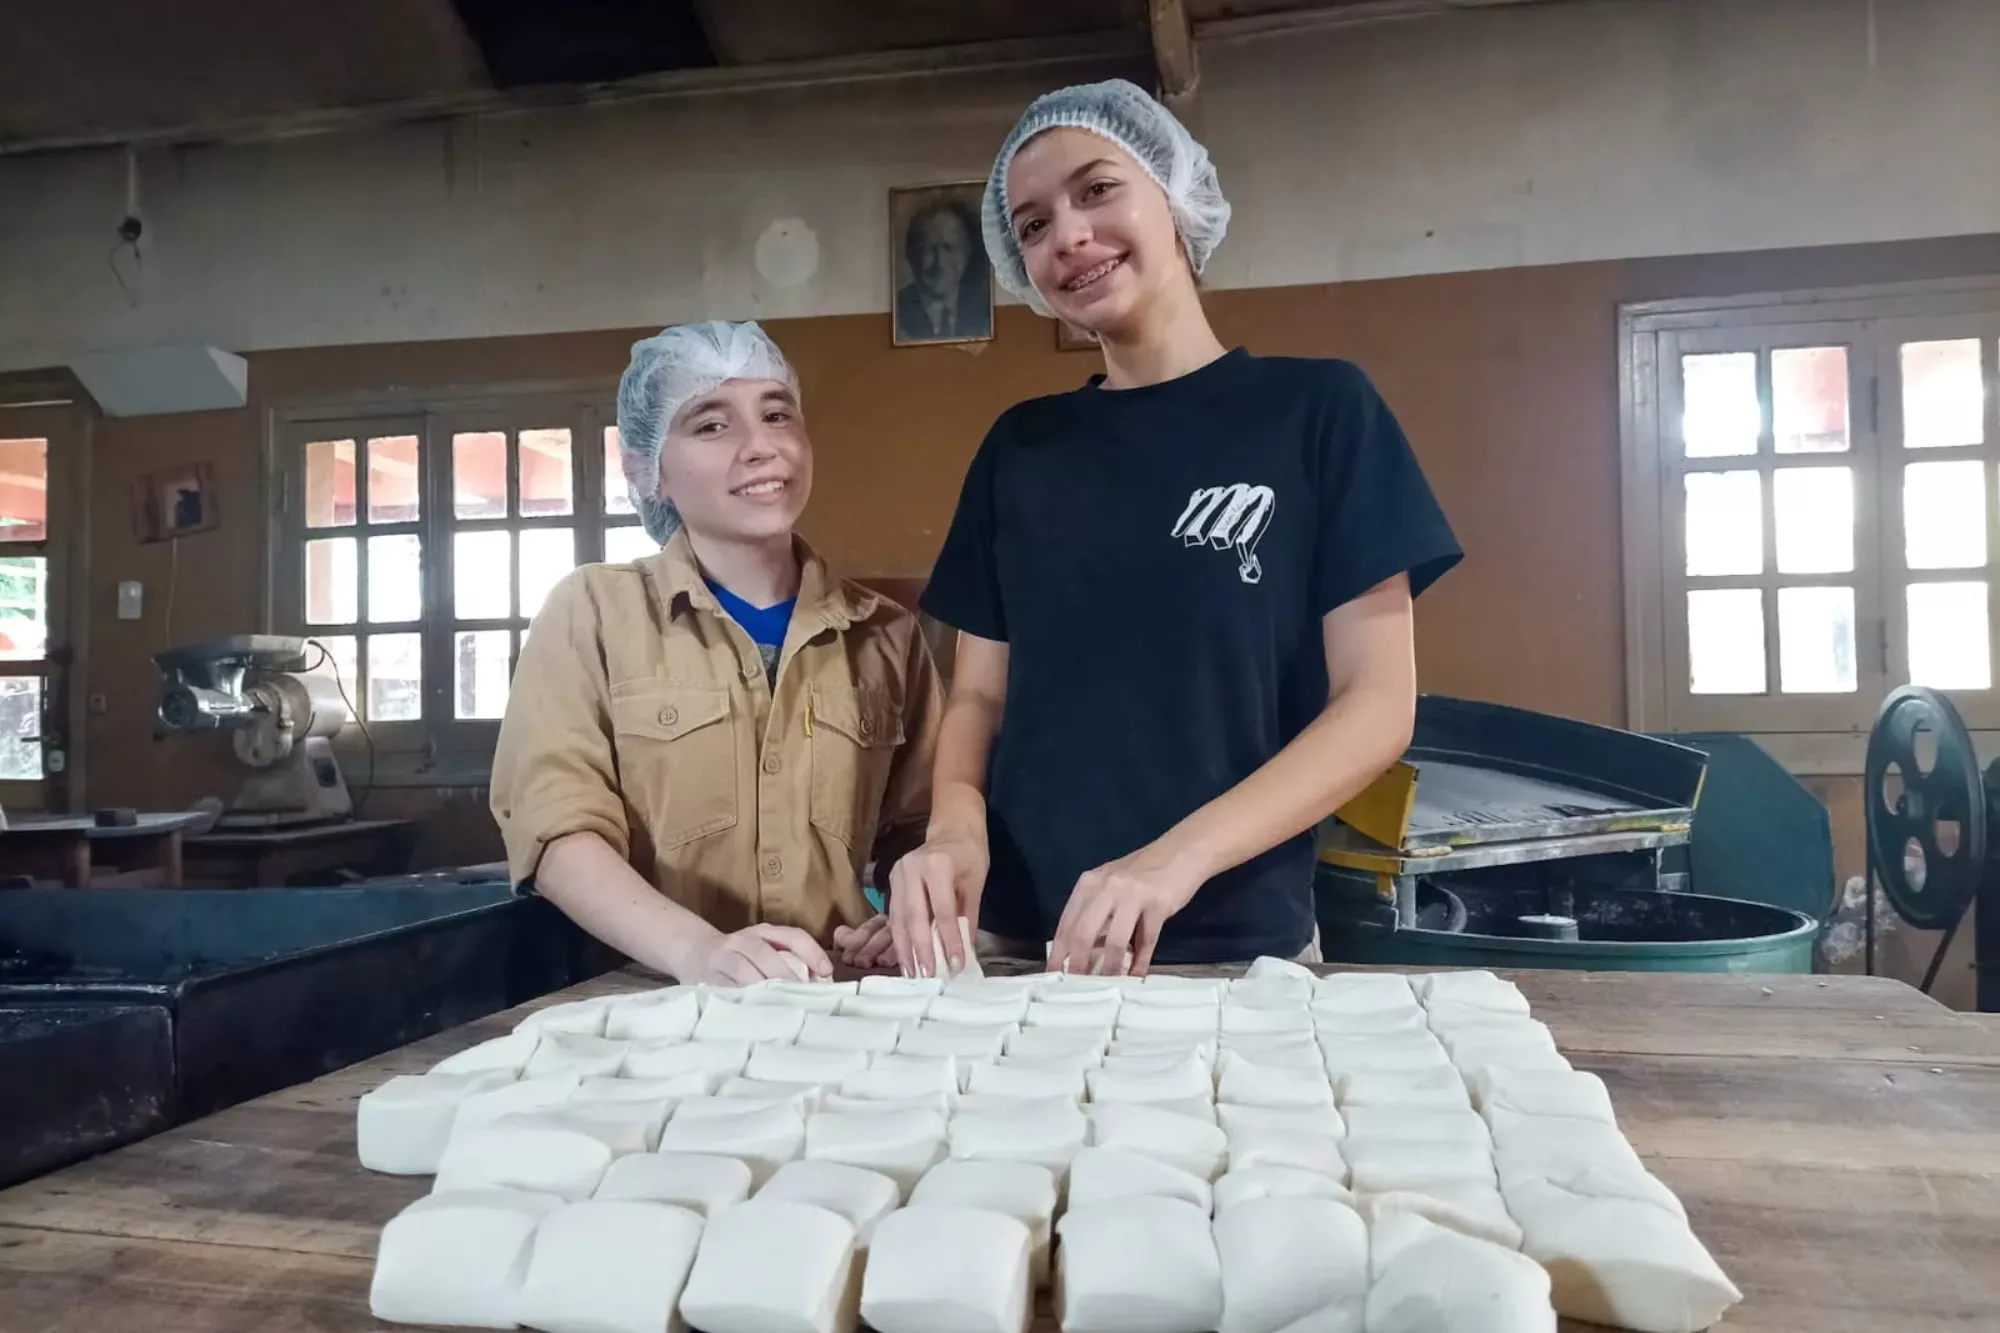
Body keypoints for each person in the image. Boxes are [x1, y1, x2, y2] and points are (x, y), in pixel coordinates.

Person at [888, 80, 1462, 978]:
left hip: (1231, 945)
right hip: (1016, 942)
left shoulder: (1318, 413)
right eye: (1032, 225)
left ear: (1176, 194)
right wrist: (955, 831)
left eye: (1097, 189)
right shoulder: (1021, 448)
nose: (1068, 234)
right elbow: (979, 699)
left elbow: (1376, 706)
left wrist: (1175, 859)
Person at [491, 321, 940, 985]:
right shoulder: (591, 614)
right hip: (648, 1006)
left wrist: (906, 910)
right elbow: (555, 830)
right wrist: (697, 952)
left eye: (777, 414)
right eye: (711, 425)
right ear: (651, 471)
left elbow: (924, 829)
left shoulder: (885, 636)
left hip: (841, 1002)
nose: (761, 446)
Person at [894, 198, 989, 342]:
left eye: (949, 248)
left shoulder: (984, 307)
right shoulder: (898, 311)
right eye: (928, 250)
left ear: (967, 252)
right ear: (911, 254)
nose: (940, 262)